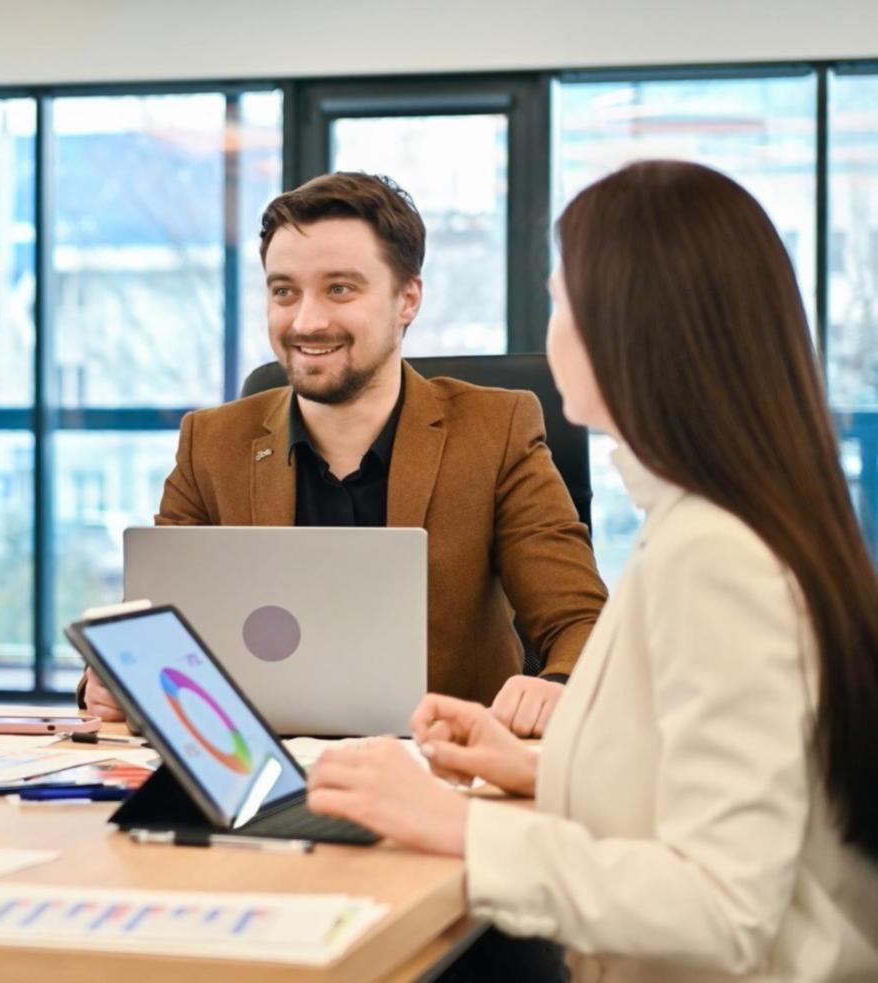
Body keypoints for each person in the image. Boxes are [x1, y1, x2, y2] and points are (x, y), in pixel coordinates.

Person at [307, 161, 878, 980]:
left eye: (559, 302)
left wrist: (454, 824)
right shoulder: (713, 520)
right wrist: (544, 766)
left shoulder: (714, 555)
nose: (551, 334)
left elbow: (721, 905)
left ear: (628, 327)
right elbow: (722, 792)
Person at [80, 172, 607, 736]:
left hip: (439, 775)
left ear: (407, 299)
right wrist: (110, 682)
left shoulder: (494, 431)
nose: (306, 321)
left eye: (339, 289)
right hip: (260, 776)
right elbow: (151, 635)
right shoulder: (211, 444)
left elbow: (582, 623)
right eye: (284, 291)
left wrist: (556, 688)